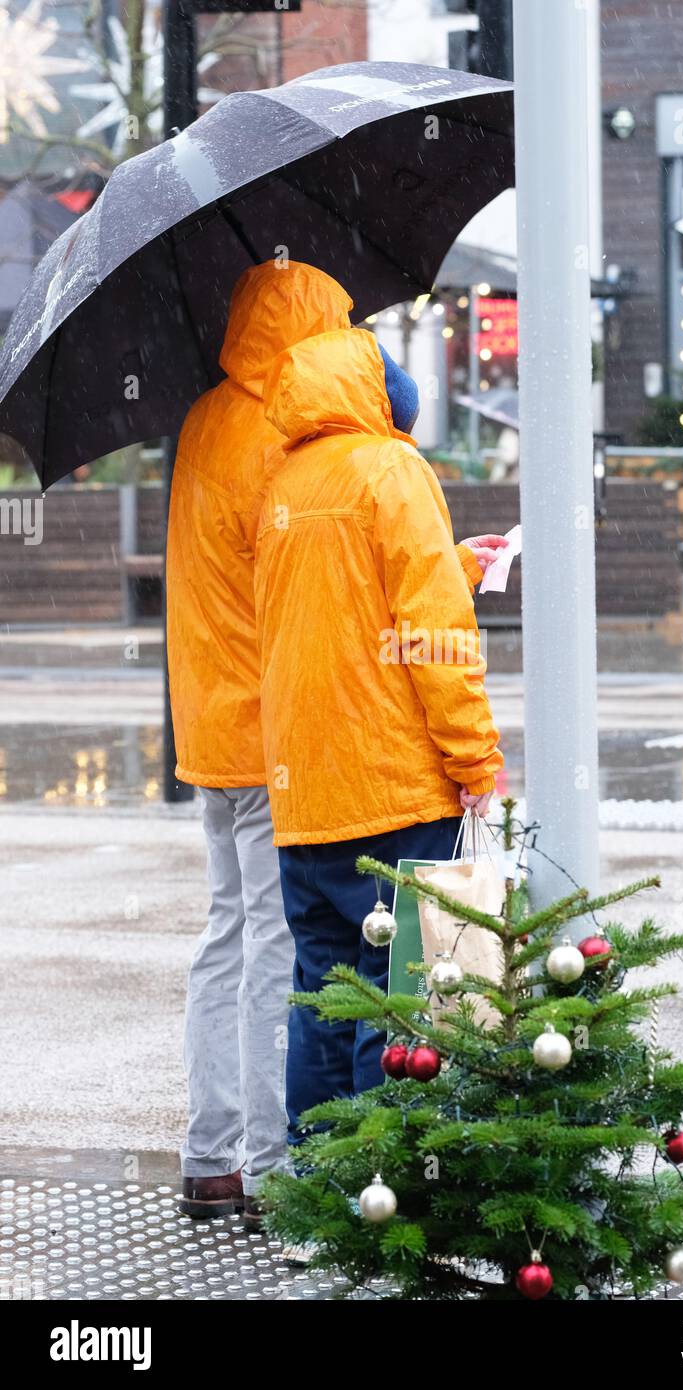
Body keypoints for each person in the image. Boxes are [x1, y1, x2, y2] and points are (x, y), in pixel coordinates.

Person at [167, 258, 505, 1220]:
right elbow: (361, 586)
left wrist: (439, 565)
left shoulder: (206, 417)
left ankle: (216, 1151)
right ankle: (292, 1176)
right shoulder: (287, 432)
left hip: (217, 720)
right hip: (300, 736)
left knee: (240, 938)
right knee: (334, 969)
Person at [255, 313, 504, 1145]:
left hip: (305, 794)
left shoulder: (286, 483)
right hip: (393, 789)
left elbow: (337, 610)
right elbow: (434, 636)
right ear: (387, 404)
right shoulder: (393, 471)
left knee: (323, 995)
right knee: (395, 999)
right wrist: (475, 758)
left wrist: (458, 561)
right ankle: (384, 1191)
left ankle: (315, 1201)